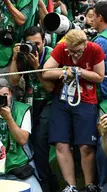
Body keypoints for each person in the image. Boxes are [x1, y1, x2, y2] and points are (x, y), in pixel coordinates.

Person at [43, 29, 105, 192]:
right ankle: (71, 186)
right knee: (61, 143)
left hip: (86, 99)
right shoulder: (61, 47)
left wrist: (80, 71)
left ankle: (89, 184)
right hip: (62, 99)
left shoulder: (94, 49)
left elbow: (100, 76)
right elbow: (45, 71)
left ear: (85, 45)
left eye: (78, 51)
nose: (75, 55)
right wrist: (64, 70)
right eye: (71, 51)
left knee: (85, 145)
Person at [9, 26, 59, 192]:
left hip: (50, 102)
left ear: (44, 41)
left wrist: (37, 67)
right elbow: (14, 81)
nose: (33, 47)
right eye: (29, 44)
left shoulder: (52, 54)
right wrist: (15, 58)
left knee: (40, 142)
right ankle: (37, 178)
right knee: (30, 142)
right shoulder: (23, 54)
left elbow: (50, 88)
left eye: (37, 43)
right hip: (30, 104)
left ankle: (47, 183)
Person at [0, 78, 42, 192]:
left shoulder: (22, 109)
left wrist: (8, 118)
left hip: (19, 169)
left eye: (5, 94)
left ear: (11, 93)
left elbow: (22, 139)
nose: (3, 99)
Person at [92, 1, 107, 190]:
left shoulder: (100, 42)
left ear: (100, 18)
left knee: (103, 143)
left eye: (93, 15)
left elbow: (96, 75)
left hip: (103, 100)